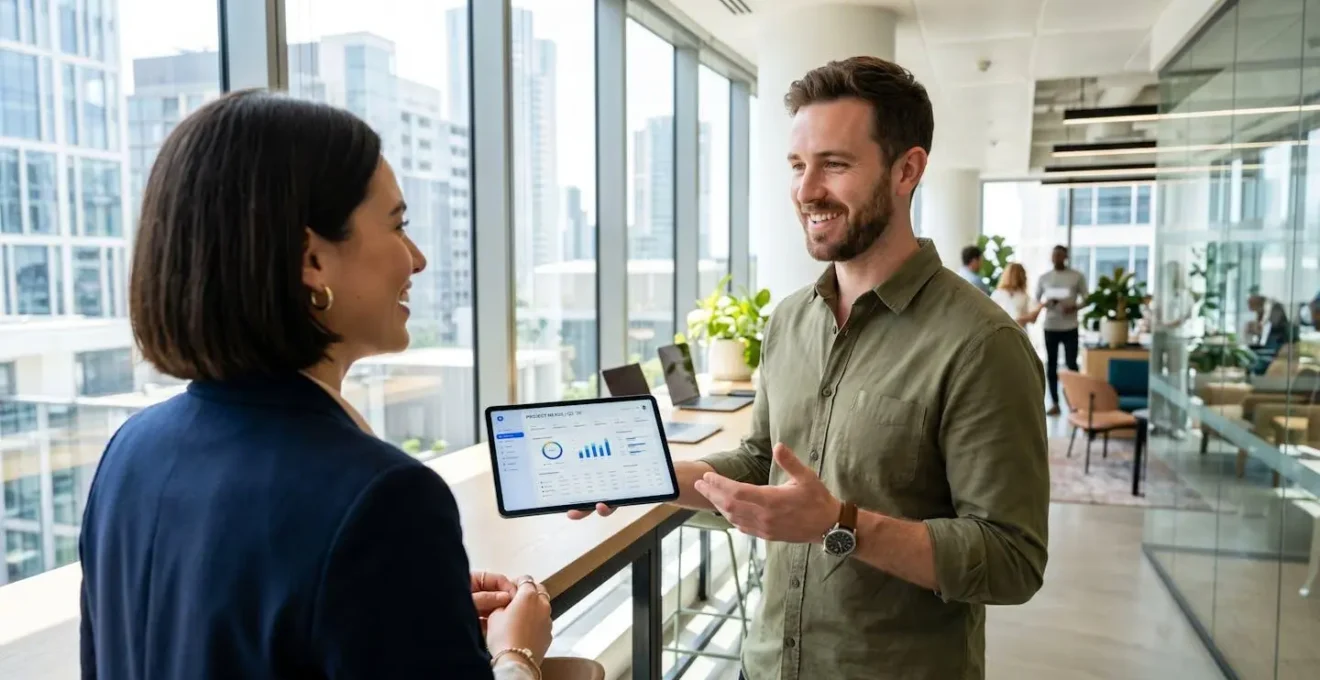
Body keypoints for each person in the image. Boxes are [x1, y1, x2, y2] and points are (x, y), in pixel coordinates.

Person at [571, 56, 1049, 680]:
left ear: (908, 170)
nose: (805, 190)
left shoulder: (982, 343)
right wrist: (651, 476)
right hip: (767, 664)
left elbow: (1012, 559)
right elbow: (760, 463)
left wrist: (841, 524)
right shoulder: (791, 320)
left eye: (835, 164)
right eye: (798, 166)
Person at [79, 91, 553, 680]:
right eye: (398, 226)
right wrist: (517, 653)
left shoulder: (131, 450)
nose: (419, 259)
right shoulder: (385, 498)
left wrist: (410, 599)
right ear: (312, 261)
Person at [1035, 245, 1088, 415]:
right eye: (1054, 255)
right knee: (1051, 365)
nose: (1056, 258)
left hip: (1070, 326)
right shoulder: (1044, 278)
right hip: (1051, 326)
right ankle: (1055, 403)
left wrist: (1074, 307)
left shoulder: (1076, 276)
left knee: (1072, 364)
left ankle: (1076, 403)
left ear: (1066, 257)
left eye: (1060, 255)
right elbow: (1036, 300)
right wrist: (1046, 303)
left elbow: (1087, 299)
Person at [991, 262, 1040, 328]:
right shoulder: (998, 294)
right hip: (1002, 333)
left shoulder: (1024, 296)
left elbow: (1033, 319)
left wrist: (1041, 306)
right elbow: (990, 316)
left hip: (1019, 333)